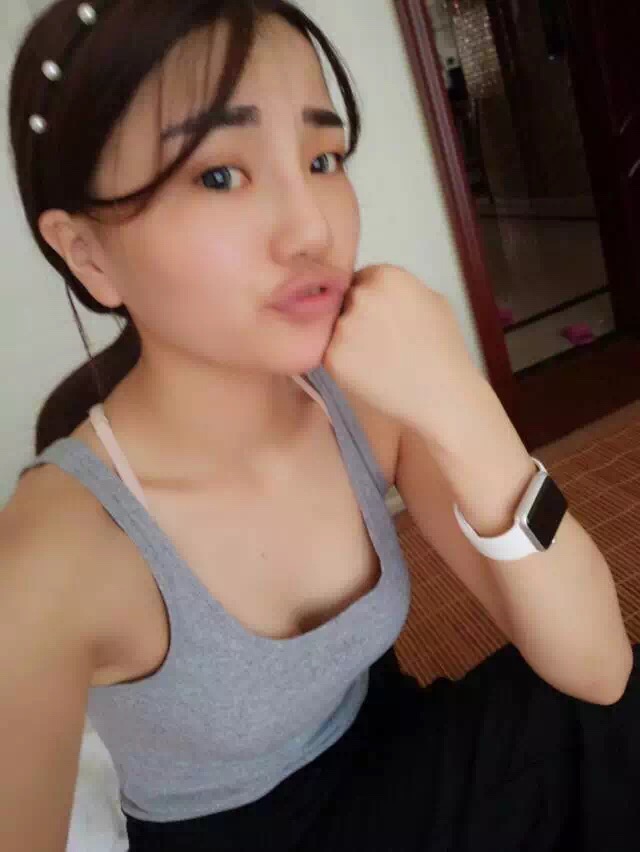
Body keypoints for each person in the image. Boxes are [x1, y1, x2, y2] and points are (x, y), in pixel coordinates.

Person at [1, 2, 638, 850]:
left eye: (322, 158)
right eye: (219, 175)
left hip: (398, 763)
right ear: (87, 254)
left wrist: (461, 403)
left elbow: (598, 668)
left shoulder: (359, 402)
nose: (313, 228)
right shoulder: (52, 557)